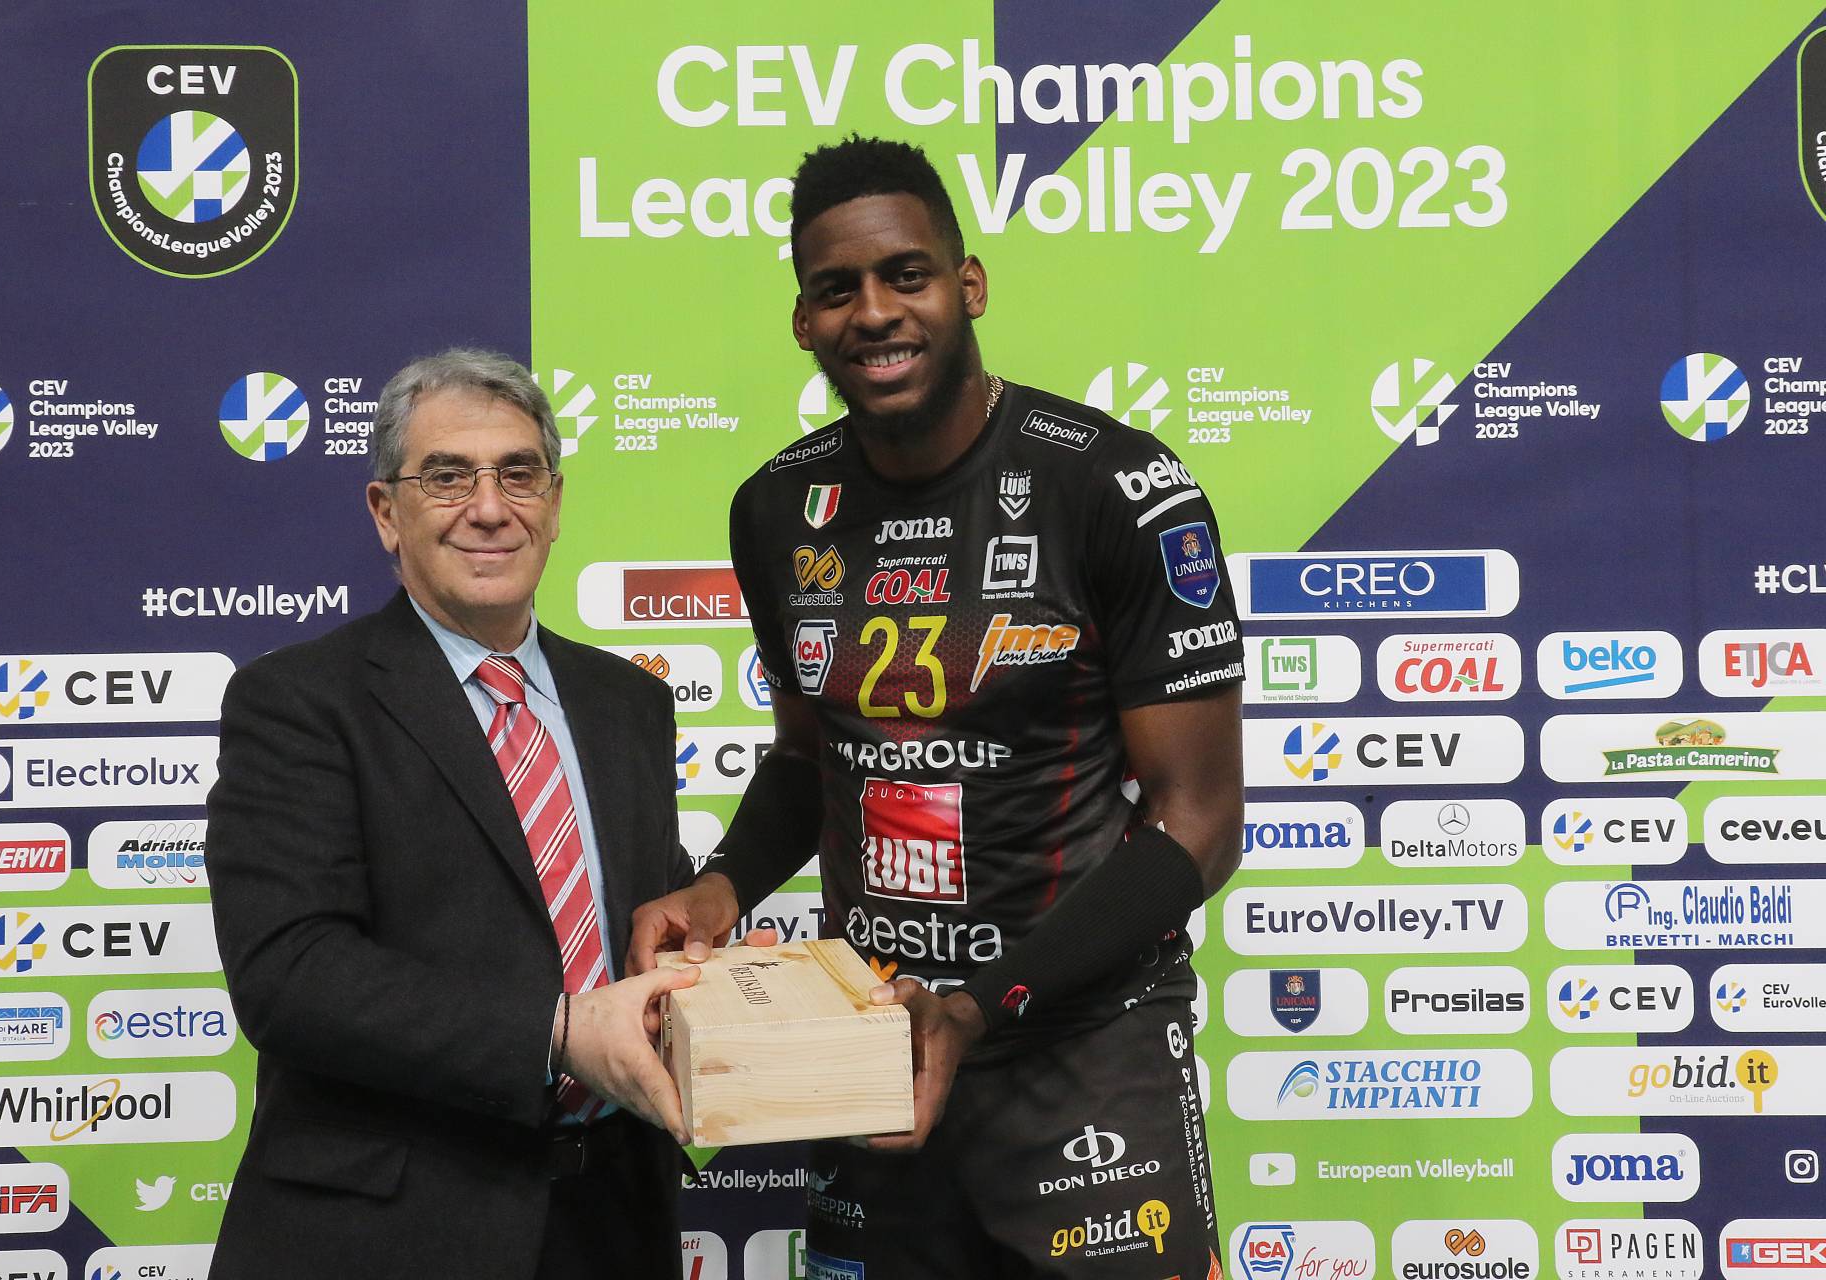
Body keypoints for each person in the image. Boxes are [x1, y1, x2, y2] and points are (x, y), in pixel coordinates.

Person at [629, 137, 1245, 1279]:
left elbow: (1200, 822)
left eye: (905, 275)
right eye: (836, 289)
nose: (873, 311)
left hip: (1085, 1049)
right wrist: (721, 885)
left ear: (969, 285)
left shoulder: (1117, 489)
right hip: (878, 1043)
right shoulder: (777, 508)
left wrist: (978, 1005)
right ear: (803, 322)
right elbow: (809, 761)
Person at [206, 348, 699, 1279]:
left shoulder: (628, 702)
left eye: (518, 473)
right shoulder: (298, 701)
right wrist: (556, 1032)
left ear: (554, 501)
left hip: (613, 1222)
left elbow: (634, 921)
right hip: (391, 1237)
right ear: (385, 513)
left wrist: (721, 972)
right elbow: (290, 973)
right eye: (446, 477)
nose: (489, 507)